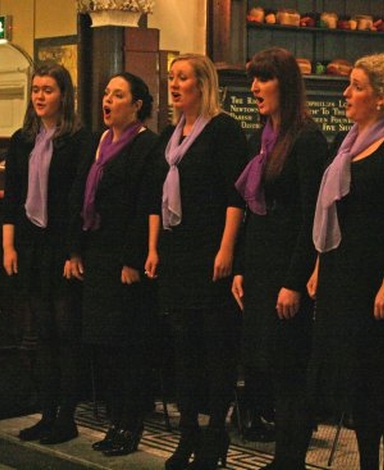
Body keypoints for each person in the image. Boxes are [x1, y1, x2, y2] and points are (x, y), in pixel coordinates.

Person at [307, 53, 384, 470]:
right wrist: (319, 267)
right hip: (341, 273)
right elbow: (332, 212)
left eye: (356, 85)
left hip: (375, 276)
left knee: (381, 381)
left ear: (382, 97)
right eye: (348, 84)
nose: (346, 93)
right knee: (355, 382)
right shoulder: (345, 143)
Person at [144, 53, 247, 470]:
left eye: (182, 77)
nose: (174, 84)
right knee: (182, 348)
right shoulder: (170, 134)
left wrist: (226, 249)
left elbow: (234, 196)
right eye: (171, 77)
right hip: (177, 251)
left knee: (214, 347)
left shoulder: (224, 130)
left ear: (202, 85)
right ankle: (187, 432)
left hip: (210, 250)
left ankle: (216, 436)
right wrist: (153, 248)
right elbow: (157, 196)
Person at [232, 47, 328, 470]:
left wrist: (294, 280)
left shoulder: (307, 138)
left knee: (289, 369)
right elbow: (252, 211)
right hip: (259, 265)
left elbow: (312, 217)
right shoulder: (260, 139)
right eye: (253, 79)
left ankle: (291, 460)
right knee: (266, 366)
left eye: (264, 78)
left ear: (285, 84)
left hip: (288, 268)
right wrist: (240, 268)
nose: (254, 87)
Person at [67, 72, 158, 456]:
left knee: (127, 348)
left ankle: (130, 425)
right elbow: (77, 194)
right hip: (96, 253)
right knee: (102, 344)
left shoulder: (146, 145)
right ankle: (113, 421)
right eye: (106, 93)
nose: (107, 100)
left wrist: (132, 259)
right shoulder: (97, 141)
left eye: (117, 95)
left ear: (137, 105)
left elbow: (144, 205)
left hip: (124, 258)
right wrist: (74, 250)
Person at [2, 62, 93, 445]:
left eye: (48, 90)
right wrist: (8, 245)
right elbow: (12, 197)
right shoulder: (21, 139)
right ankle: (47, 412)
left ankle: (67, 416)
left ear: (64, 96)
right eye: (36, 89)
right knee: (39, 333)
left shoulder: (80, 140)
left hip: (62, 243)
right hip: (31, 244)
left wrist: (75, 251)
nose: (40, 96)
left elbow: (78, 200)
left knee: (64, 332)